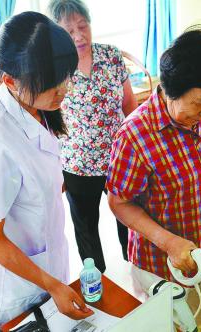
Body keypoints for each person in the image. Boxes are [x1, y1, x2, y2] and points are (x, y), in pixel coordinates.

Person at [106, 28, 201, 324]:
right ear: (172, 87)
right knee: (165, 325)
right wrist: (170, 243)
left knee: (195, 320)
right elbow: (119, 203)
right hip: (162, 266)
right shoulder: (135, 136)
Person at [0, 12, 92, 331]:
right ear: (10, 81)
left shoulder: (35, 105)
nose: (64, 89)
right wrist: (51, 284)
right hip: (17, 287)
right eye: (51, 83)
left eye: (66, 77)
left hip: (45, 261)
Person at [48, 0, 136, 272]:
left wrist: (139, 148)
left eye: (82, 26)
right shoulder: (53, 69)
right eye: (69, 30)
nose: (78, 35)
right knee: (85, 227)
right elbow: (48, 122)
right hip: (77, 164)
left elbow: (130, 105)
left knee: (130, 218)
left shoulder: (110, 56)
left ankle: (136, 266)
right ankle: (97, 282)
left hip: (118, 158)